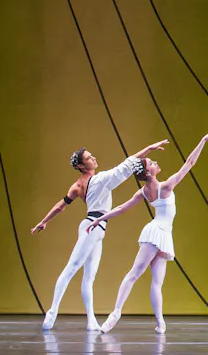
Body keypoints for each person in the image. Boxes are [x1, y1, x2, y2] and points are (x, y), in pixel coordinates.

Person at [86, 128, 208, 334]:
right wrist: (203, 139)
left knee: (157, 282)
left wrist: (101, 219)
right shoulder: (166, 187)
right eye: (152, 163)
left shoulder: (145, 192)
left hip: (164, 235)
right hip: (156, 232)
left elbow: (122, 208)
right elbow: (190, 163)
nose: (155, 162)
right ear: (148, 172)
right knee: (134, 274)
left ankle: (161, 322)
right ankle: (116, 313)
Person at [32, 139, 168, 331]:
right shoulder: (99, 180)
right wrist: (147, 149)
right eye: (88, 157)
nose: (93, 158)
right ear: (81, 165)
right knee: (72, 267)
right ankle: (52, 312)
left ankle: (91, 320)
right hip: (92, 227)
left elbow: (61, 206)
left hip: (96, 228)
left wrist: (44, 221)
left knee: (89, 276)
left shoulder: (79, 185)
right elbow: (126, 166)